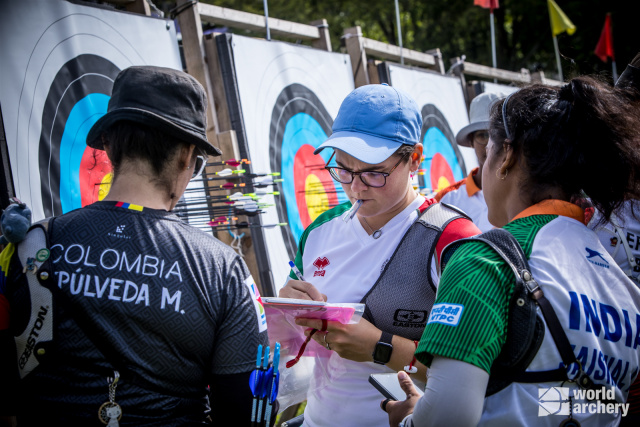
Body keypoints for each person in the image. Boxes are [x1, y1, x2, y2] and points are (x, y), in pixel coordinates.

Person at [0, 66, 269, 425]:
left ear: (108, 146)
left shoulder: (31, 245)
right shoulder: (222, 269)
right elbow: (246, 412)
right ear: (187, 156)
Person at [385, 76, 640, 426]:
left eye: (488, 152)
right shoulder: (620, 282)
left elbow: (449, 415)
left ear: (507, 156)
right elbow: (597, 403)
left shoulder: (485, 259)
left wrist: (409, 417)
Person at [278, 83, 480, 426]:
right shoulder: (320, 230)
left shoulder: (452, 239)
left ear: (415, 158)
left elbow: (474, 376)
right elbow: (292, 339)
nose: (356, 187)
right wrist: (287, 306)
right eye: (343, 169)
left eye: (374, 172)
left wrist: (381, 347)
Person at [435, 92, 504, 232]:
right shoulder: (446, 200)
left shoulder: (526, 194)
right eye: (483, 135)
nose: (491, 144)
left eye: (498, 134)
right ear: (471, 141)